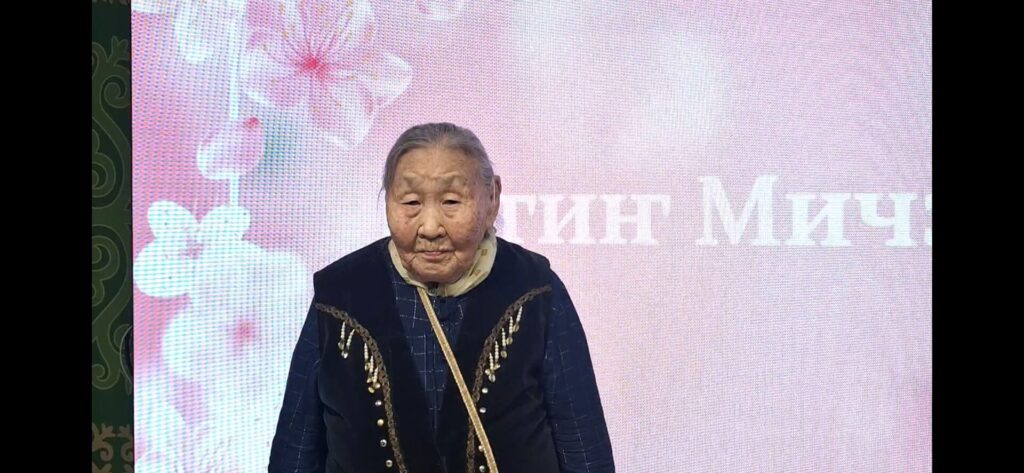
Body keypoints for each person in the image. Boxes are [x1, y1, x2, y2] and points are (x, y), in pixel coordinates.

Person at [269, 122, 615, 473]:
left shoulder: (535, 290)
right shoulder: (340, 295)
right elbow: (294, 454)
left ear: (492, 198)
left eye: (451, 202)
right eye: (411, 202)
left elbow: (585, 451)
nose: (431, 227)